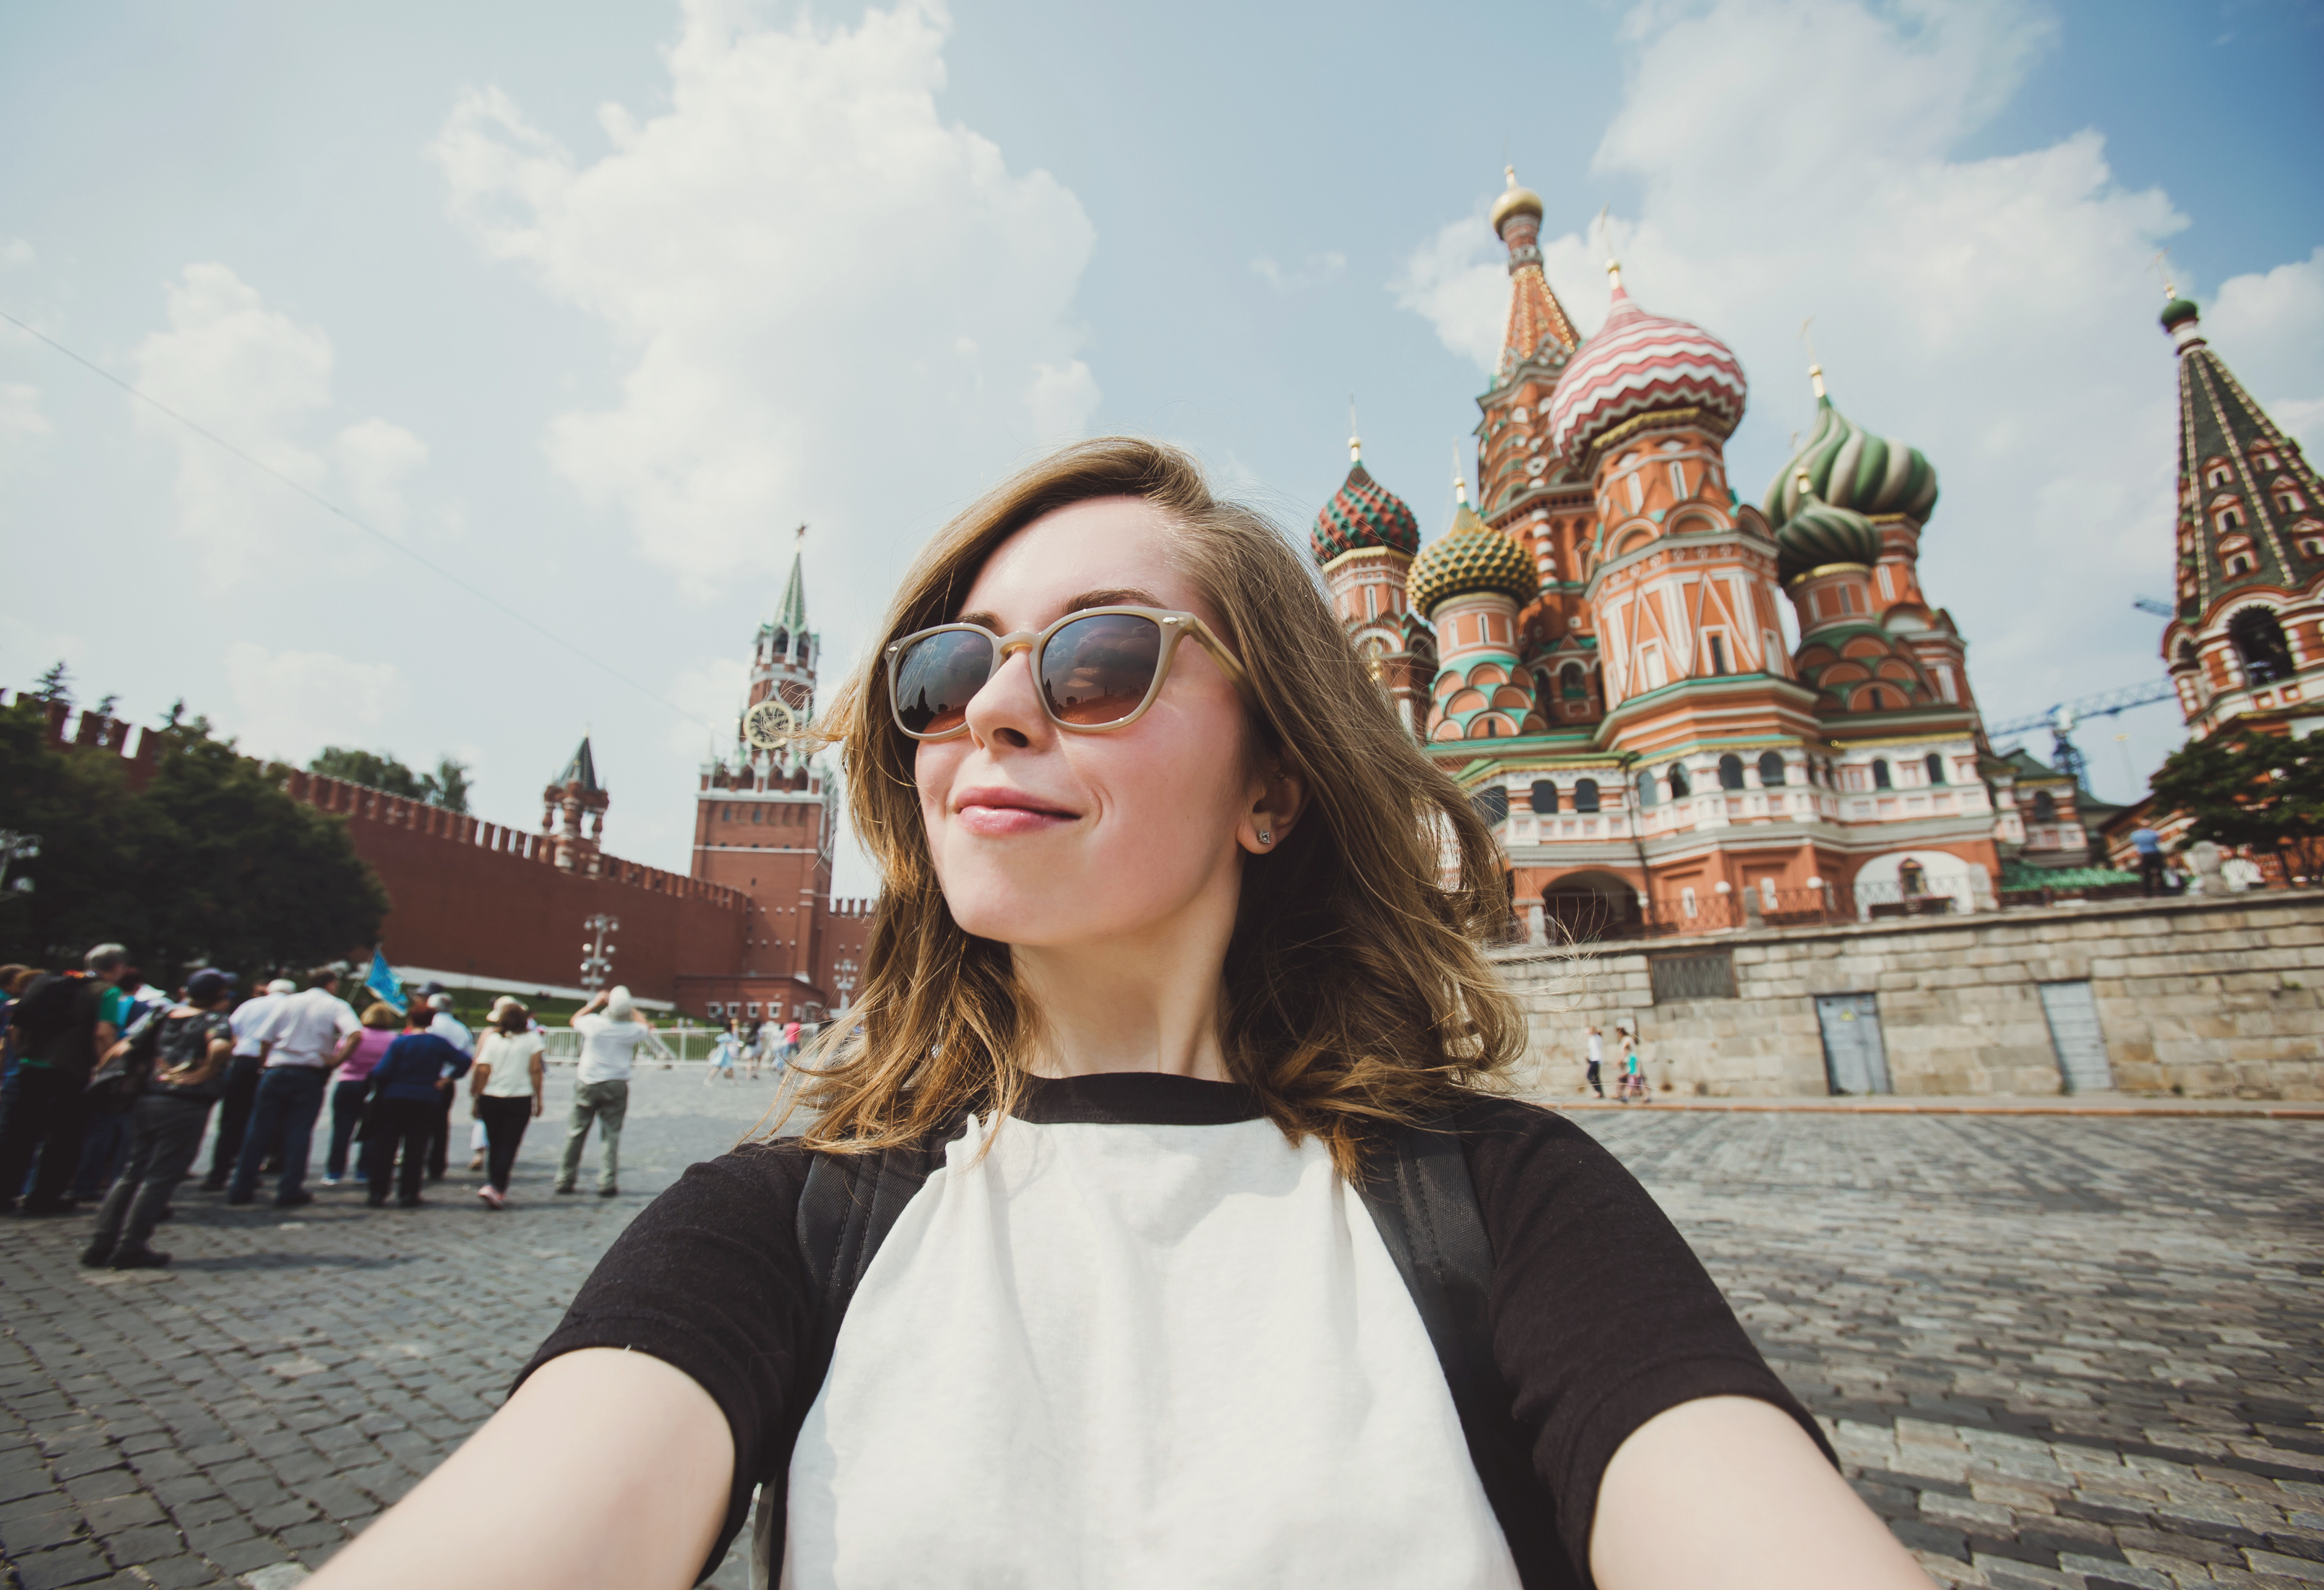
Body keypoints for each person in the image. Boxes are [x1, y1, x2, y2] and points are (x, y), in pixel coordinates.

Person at [306, 439, 1929, 1590]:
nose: (996, 707)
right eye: (944, 676)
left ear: (1276, 783)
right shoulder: (781, 1227)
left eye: (1097, 660)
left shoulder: (1508, 1209)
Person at [80, 969, 238, 1269]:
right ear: (220, 996)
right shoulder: (213, 1020)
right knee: (160, 1176)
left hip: (147, 1099)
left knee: (131, 1172)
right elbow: (219, 1045)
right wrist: (205, 1072)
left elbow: (121, 1048)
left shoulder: (162, 1014)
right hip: (185, 1104)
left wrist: (100, 1075)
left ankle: (101, 1242)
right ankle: (132, 1244)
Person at [0, 944, 129, 1214]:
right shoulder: (106, 991)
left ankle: (4, 1192)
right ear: (117, 968)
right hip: (71, 1071)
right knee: (63, 1136)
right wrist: (105, 1068)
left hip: (31, 1066)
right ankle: (44, 1197)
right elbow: (103, 1033)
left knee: (18, 1133)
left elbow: (16, 1026)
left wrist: (24, 1053)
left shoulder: (47, 982)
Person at [228, 966, 361, 1208]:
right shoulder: (336, 1005)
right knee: (299, 1131)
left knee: (258, 1129)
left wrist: (264, 1064)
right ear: (331, 983)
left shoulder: (288, 1003)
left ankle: (241, 1187)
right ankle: (289, 1188)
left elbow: (265, 1038)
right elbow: (354, 1034)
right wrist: (335, 1062)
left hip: (277, 1068)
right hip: (309, 1072)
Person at [555, 985, 668, 1198]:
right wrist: (630, 1008)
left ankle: (565, 1178)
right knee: (611, 1135)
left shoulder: (594, 1024)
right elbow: (644, 1026)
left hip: (587, 1082)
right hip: (616, 1084)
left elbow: (574, 1019)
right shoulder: (632, 1030)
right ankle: (606, 1181)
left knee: (576, 1133)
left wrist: (595, 1003)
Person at [364, 1008, 470, 1208]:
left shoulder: (400, 1042)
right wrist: (447, 1079)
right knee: (416, 1147)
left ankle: (378, 1192)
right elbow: (464, 1060)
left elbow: (381, 1071)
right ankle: (409, 1193)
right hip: (425, 1098)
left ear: (410, 1019)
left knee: (386, 1146)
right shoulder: (437, 1043)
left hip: (395, 1097)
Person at [203, 977, 296, 1191]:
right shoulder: (290, 1007)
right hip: (270, 1062)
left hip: (242, 1060)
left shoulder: (249, 1005)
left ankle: (218, 1173)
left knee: (231, 1120)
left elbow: (231, 1032)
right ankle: (251, 1171)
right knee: (264, 1119)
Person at [470, 1001, 546, 1209]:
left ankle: (493, 1183)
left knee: (494, 1143)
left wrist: (476, 1094)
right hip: (519, 1098)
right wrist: (539, 1098)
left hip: (491, 1096)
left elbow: (483, 1069)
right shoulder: (532, 1039)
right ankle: (497, 1186)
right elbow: (536, 1070)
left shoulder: (493, 1039)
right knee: (509, 1144)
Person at [325, 1004, 401, 1186]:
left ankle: (334, 1172)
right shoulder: (393, 1039)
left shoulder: (353, 1036)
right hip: (376, 1086)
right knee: (371, 1129)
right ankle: (363, 1170)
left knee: (341, 1129)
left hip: (349, 1082)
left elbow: (338, 1055)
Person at [418, 988, 475, 1182]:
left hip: (423, 1079)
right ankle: (437, 1166)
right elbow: (467, 1056)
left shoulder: (427, 1025)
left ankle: (416, 1161)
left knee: (418, 1124)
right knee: (441, 1124)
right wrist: (450, 1077)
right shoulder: (460, 1029)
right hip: (446, 1081)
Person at [2131, 823, 2166, 898]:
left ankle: (2147, 891)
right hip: (2155, 852)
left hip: (2144, 854)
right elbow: (2159, 839)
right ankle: (2163, 889)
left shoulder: (2135, 835)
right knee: (2159, 872)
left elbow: (2134, 842)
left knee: (2146, 873)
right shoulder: (2153, 833)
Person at [705, 1020, 738, 1084]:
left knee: (729, 1067)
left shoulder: (724, 1035)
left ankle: (734, 1081)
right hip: (725, 1053)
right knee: (720, 1067)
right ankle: (708, 1079)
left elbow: (719, 1040)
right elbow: (729, 1042)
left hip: (723, 1052)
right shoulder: (729, 1035)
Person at [1583, 1024, 1606, 1099]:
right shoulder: (1593, 1038)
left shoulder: (1596, 1038)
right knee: (1596, 1077)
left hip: (1596, 1059)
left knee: (1589, 1075)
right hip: (1594, 1059)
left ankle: (1598, 1092)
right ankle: (1600, 1093)